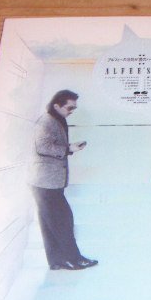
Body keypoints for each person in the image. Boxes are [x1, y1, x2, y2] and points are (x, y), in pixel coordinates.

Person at [27, 89, 98, 271]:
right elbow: (42, 147)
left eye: (74, 108)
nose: (72, 111)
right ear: (57, 105)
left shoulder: (56, 119)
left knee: (50, 223)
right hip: (45, 182)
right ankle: (73, 259)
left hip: (45, 182)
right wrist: (68, 148)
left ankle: (57, 261)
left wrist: (69, 147)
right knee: (63, 221)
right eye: (70, 107)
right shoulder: (47, 121)